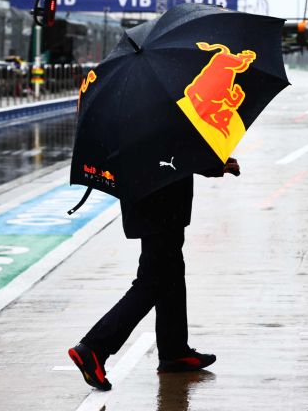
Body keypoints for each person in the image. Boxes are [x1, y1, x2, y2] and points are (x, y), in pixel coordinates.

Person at [67, 158, 240, 391]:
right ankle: (95, 347)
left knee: (171, 273)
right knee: (153, 281)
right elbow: (173, 150)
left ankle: (175, 351)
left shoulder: (127, 121)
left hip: (144, 194)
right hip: (162, 199)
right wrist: (213, 165)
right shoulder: (162, 119)